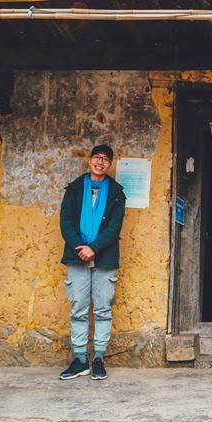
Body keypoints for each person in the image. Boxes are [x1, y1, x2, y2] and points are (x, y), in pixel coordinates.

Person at [58, 144, 126, 380]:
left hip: (104, 257)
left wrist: (93, 248)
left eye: (106, 159)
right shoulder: (74, 189)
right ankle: (79, 360)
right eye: (97, 157)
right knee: (77, 308)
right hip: (77, 256)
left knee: (103, 310)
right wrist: (81, 248)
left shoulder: (117, 193)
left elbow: (114, 228)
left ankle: (98, 358)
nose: (100, 161)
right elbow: (65, 221)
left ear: (110, 164)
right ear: (90, 160)